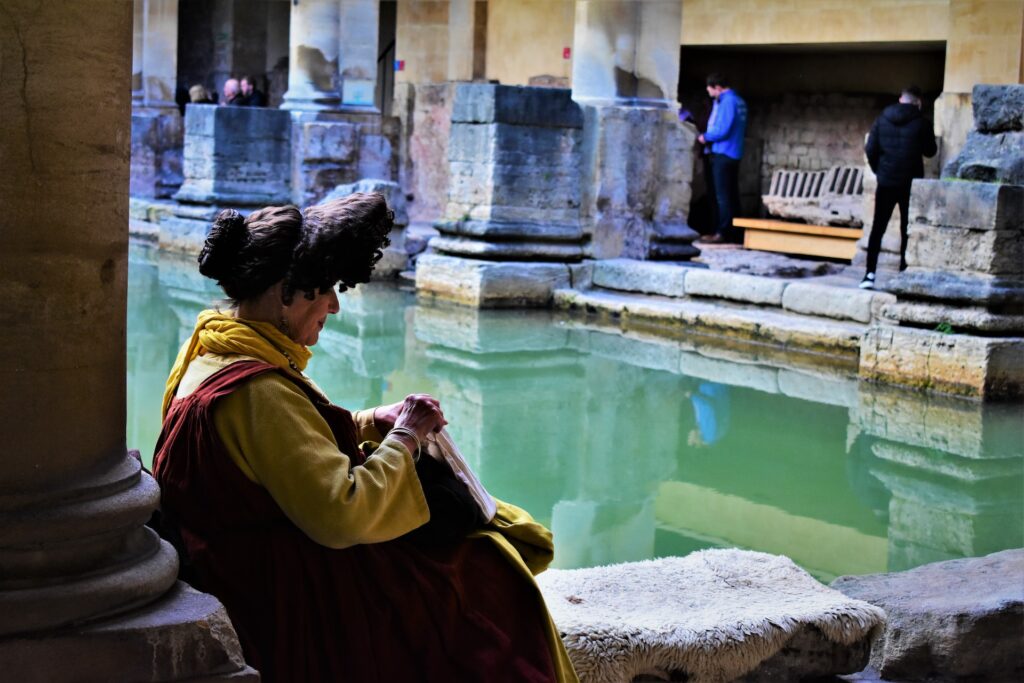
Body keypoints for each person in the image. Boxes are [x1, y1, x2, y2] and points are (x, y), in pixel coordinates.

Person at [152, 193, 577, 683]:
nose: (333, 304)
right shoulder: (256, 389)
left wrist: (376, 420)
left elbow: (286, 448)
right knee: (488, 571)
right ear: (284, 290)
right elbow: (343, 511)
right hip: (281, 590)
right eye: (324, 290)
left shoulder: (213, 344)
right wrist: (407, 437)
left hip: (240, 559)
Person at [860, 86, 937, 289]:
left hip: (886, 182)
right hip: (910, 184)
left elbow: (870, 149)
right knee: (906, 229)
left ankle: (869, 275)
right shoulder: (921, 122)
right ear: (917, 102)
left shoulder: (882, 118)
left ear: (900, 99)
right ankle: (903, 273)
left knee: (877, 229)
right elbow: (931, 151)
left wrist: (880, 171)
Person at [697, 74, 748, 244]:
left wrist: (706, 137)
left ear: (718, 87)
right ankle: (735, 232)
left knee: (721, 196)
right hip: (734, 152)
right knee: (731, 194)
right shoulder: (739, 101)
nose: (708, 91)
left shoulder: (727, 102)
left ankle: (722, 232)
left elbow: (722, 129)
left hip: (723, 153)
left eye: (710, 88)